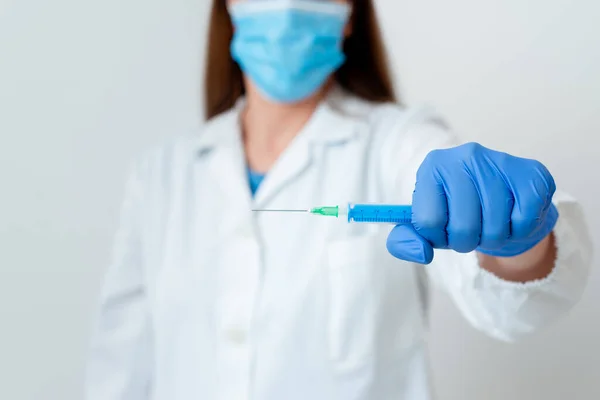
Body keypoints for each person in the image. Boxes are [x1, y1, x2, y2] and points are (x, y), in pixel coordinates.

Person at [85, 0, 593, 399]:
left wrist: (515, 240)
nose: (285, 5)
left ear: (350, 13)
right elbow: (120, 370)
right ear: (228, 7)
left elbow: (510, 310)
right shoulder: (161, 176)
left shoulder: (400, 142)